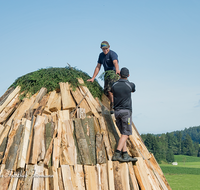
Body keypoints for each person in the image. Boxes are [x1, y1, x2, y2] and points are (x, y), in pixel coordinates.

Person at [111, 67, 138, 162]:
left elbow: (110, 91)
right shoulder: (130, 85)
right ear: (128, 75)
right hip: (126, 112)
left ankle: (125, 154)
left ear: (119, 74)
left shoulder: (114, 85)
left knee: (123, 133)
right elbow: (132, 90)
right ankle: (117, 153)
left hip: (116, 111)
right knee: (126, 133)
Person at [87, 41, 120, 113]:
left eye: (106, 48)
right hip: (106, 74)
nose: (105, 50)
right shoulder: (101, 55)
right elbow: (98, 66)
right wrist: (93, 78)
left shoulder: (112, 54)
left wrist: (117, 70)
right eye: (103, 49)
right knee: (106, 93)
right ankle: (109, 106)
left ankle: (113, 106)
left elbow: (115, 62)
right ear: (101, 48)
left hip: (113, 73)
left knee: (110, 90)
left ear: (109, 47)